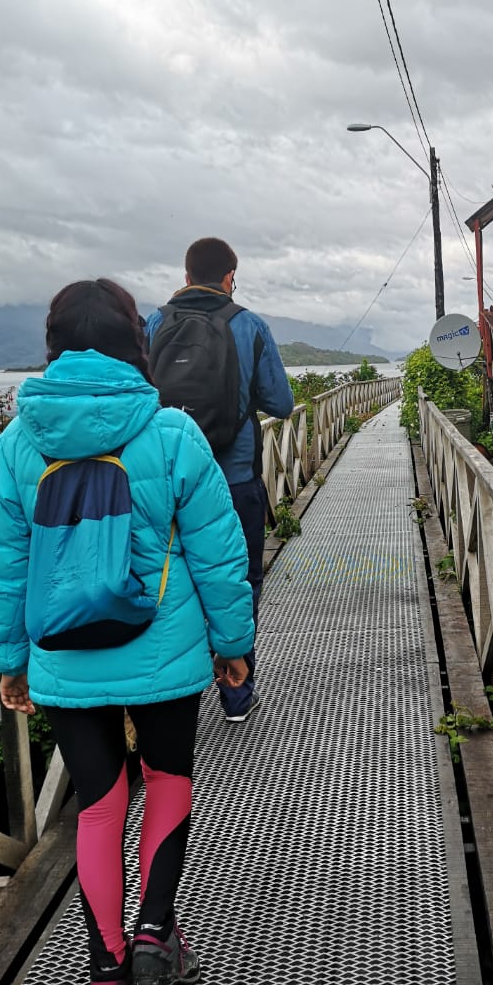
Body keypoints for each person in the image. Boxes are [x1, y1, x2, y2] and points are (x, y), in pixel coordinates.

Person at [0, 278, 255, 985]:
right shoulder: (170, 433)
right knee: (167, 780)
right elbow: (218, 553)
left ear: (53, 343)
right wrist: (234, 645)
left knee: (98, 803)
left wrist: (9, 659)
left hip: (63, 656)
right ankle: (157, 926)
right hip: (161, 648)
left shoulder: (14, 446)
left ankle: (106, 968)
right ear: (137, 339)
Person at [145, 238, 294, 722]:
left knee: (167, 580)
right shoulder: (249, 325)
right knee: (240, 579)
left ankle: (173, 699)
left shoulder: (154, 324)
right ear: (232, 276)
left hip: (164, 481)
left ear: (185, 277)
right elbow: (282, 404)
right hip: (233, 479)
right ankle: (236, 692)